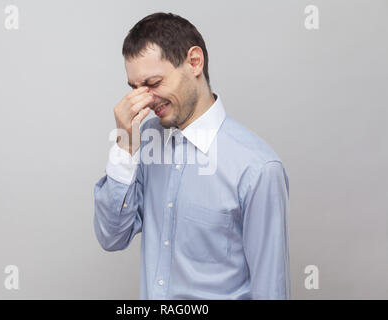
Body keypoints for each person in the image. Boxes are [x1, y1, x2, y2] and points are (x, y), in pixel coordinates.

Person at [93, 12, 290, 299]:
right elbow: (112, 237)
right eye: (135, 88)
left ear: (194, 62)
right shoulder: (145, 143)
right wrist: (125, 147)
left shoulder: (257, 168)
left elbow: (270, 290)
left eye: (153, 83)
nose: (144, 100)